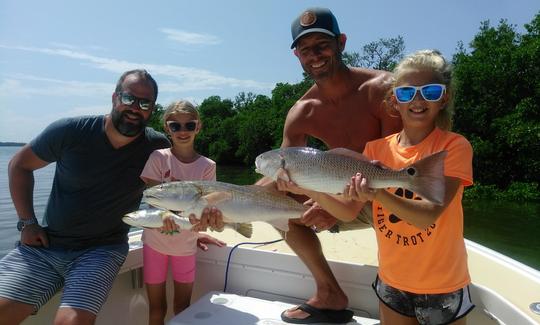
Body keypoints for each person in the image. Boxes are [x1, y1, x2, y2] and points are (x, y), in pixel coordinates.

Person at [193, 7, 402, 324]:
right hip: (341, 192)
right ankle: (329, 292)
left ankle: (406, 292)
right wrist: (226, 204)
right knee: (280, 207)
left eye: (322, 45)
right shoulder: (302, 111)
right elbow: (282, 178)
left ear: (341, 43)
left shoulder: (381, 89)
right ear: (297, 56)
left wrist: (334, 207)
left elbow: (395, 165)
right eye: (306, 50)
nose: (314, 56)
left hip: (388, 193)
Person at [281, 49, 475, 324]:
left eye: (429, 92)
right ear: (394, 100)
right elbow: (348, 213)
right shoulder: (375, 150)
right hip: (392, 282)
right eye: (407, 93)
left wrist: (377, 194)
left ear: (444, 97)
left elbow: (428, 214)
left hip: (442, 284)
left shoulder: (453, 147)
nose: (417, 100)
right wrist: (308, 189)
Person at [0, 69, 172, 325]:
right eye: (129, 98)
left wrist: (195, 226)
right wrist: (27, 222)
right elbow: (19, 165)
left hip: (102, 250)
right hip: (45, 246)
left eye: (144, 103)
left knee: (70, 323)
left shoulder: (157, 148)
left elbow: (181, 193)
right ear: (115, 97)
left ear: (152, 109)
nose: (135, 107)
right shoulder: (70, 131)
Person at [139, 100, 225, 325]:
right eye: (175, 126)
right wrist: (166, 215)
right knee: (157, 308)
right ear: (167, 128)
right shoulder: (158, 158)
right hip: (154, 243)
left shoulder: (208, 166)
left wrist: (206, 223)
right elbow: (152, 197)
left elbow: (206, 207)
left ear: (198, 127)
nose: (182, 131)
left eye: (189, 125)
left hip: (186, 246)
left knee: (182, 308)